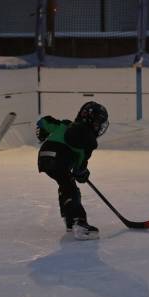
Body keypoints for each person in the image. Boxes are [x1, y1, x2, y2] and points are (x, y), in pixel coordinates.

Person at [35, 101, 109, 240]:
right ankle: (79, 223)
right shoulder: (89, 139)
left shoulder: (65, 124)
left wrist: (42, 131)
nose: (98, 127)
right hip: (60, 158)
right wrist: (82, 173)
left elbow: (44, 122)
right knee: (71, 189)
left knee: (65, 184)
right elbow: (79, 166)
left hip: (44, 156)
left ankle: (70, 221)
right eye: (98, 124)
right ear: (91, 121)